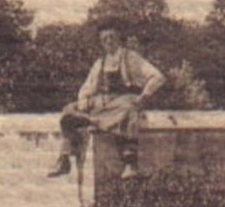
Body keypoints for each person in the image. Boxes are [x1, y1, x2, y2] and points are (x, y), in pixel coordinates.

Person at [47, 26, 164, 181]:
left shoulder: (131, 57)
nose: (108, 41)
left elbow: (157, 77)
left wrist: (144, 96)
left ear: (119, 38)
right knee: (69, 110)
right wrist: (83, 101)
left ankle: (130, 163)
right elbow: (87, 87)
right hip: (103, 103)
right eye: (104, 39)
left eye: (112, 37)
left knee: (129, 110)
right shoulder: (100, 63)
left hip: (123, 100)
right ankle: (65, 158)